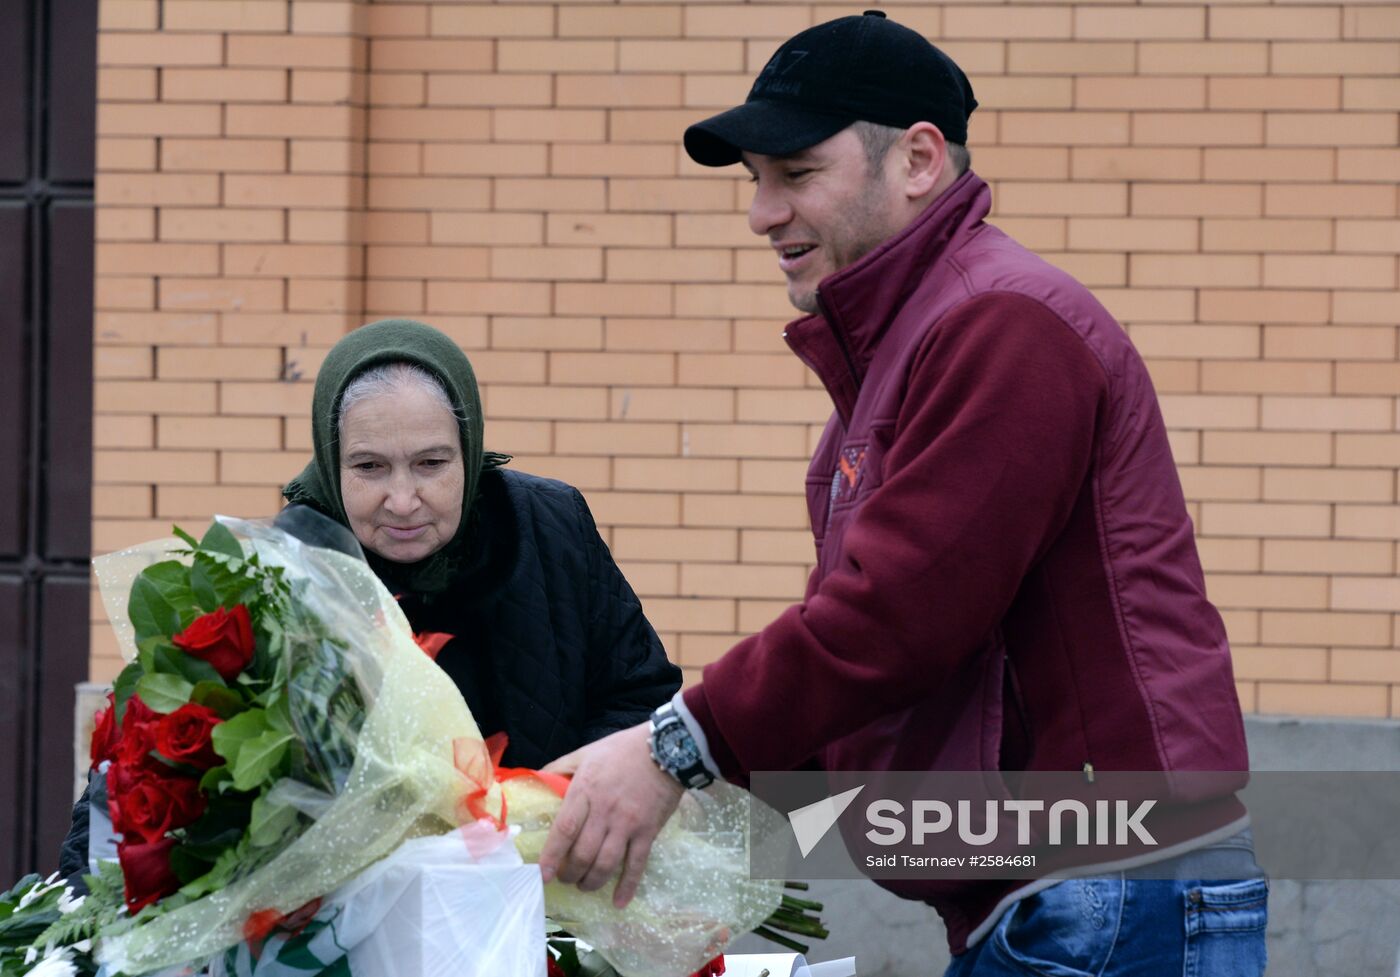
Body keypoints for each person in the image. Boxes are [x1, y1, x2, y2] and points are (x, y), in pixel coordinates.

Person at [537, 12, 1266, 975]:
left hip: (1112, 889)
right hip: (1068, 895)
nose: (761, 213)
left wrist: (681, 748)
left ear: (919, 159)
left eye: (795, 175)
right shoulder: (908, 352)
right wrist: (687, 785)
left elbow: (898, 617)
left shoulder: (1001, 326)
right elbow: (886, 662)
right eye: (755, 181)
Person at [59, 317, 680, 879]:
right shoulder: (277, 574)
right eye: (370, 468)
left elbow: (639, 694)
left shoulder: (548, 525)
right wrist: (71, 909)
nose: (403, 499)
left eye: (432, 463)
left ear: (469, 454)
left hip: (553, 877)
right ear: (331, 464)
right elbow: (153, 761)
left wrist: (548, 805)